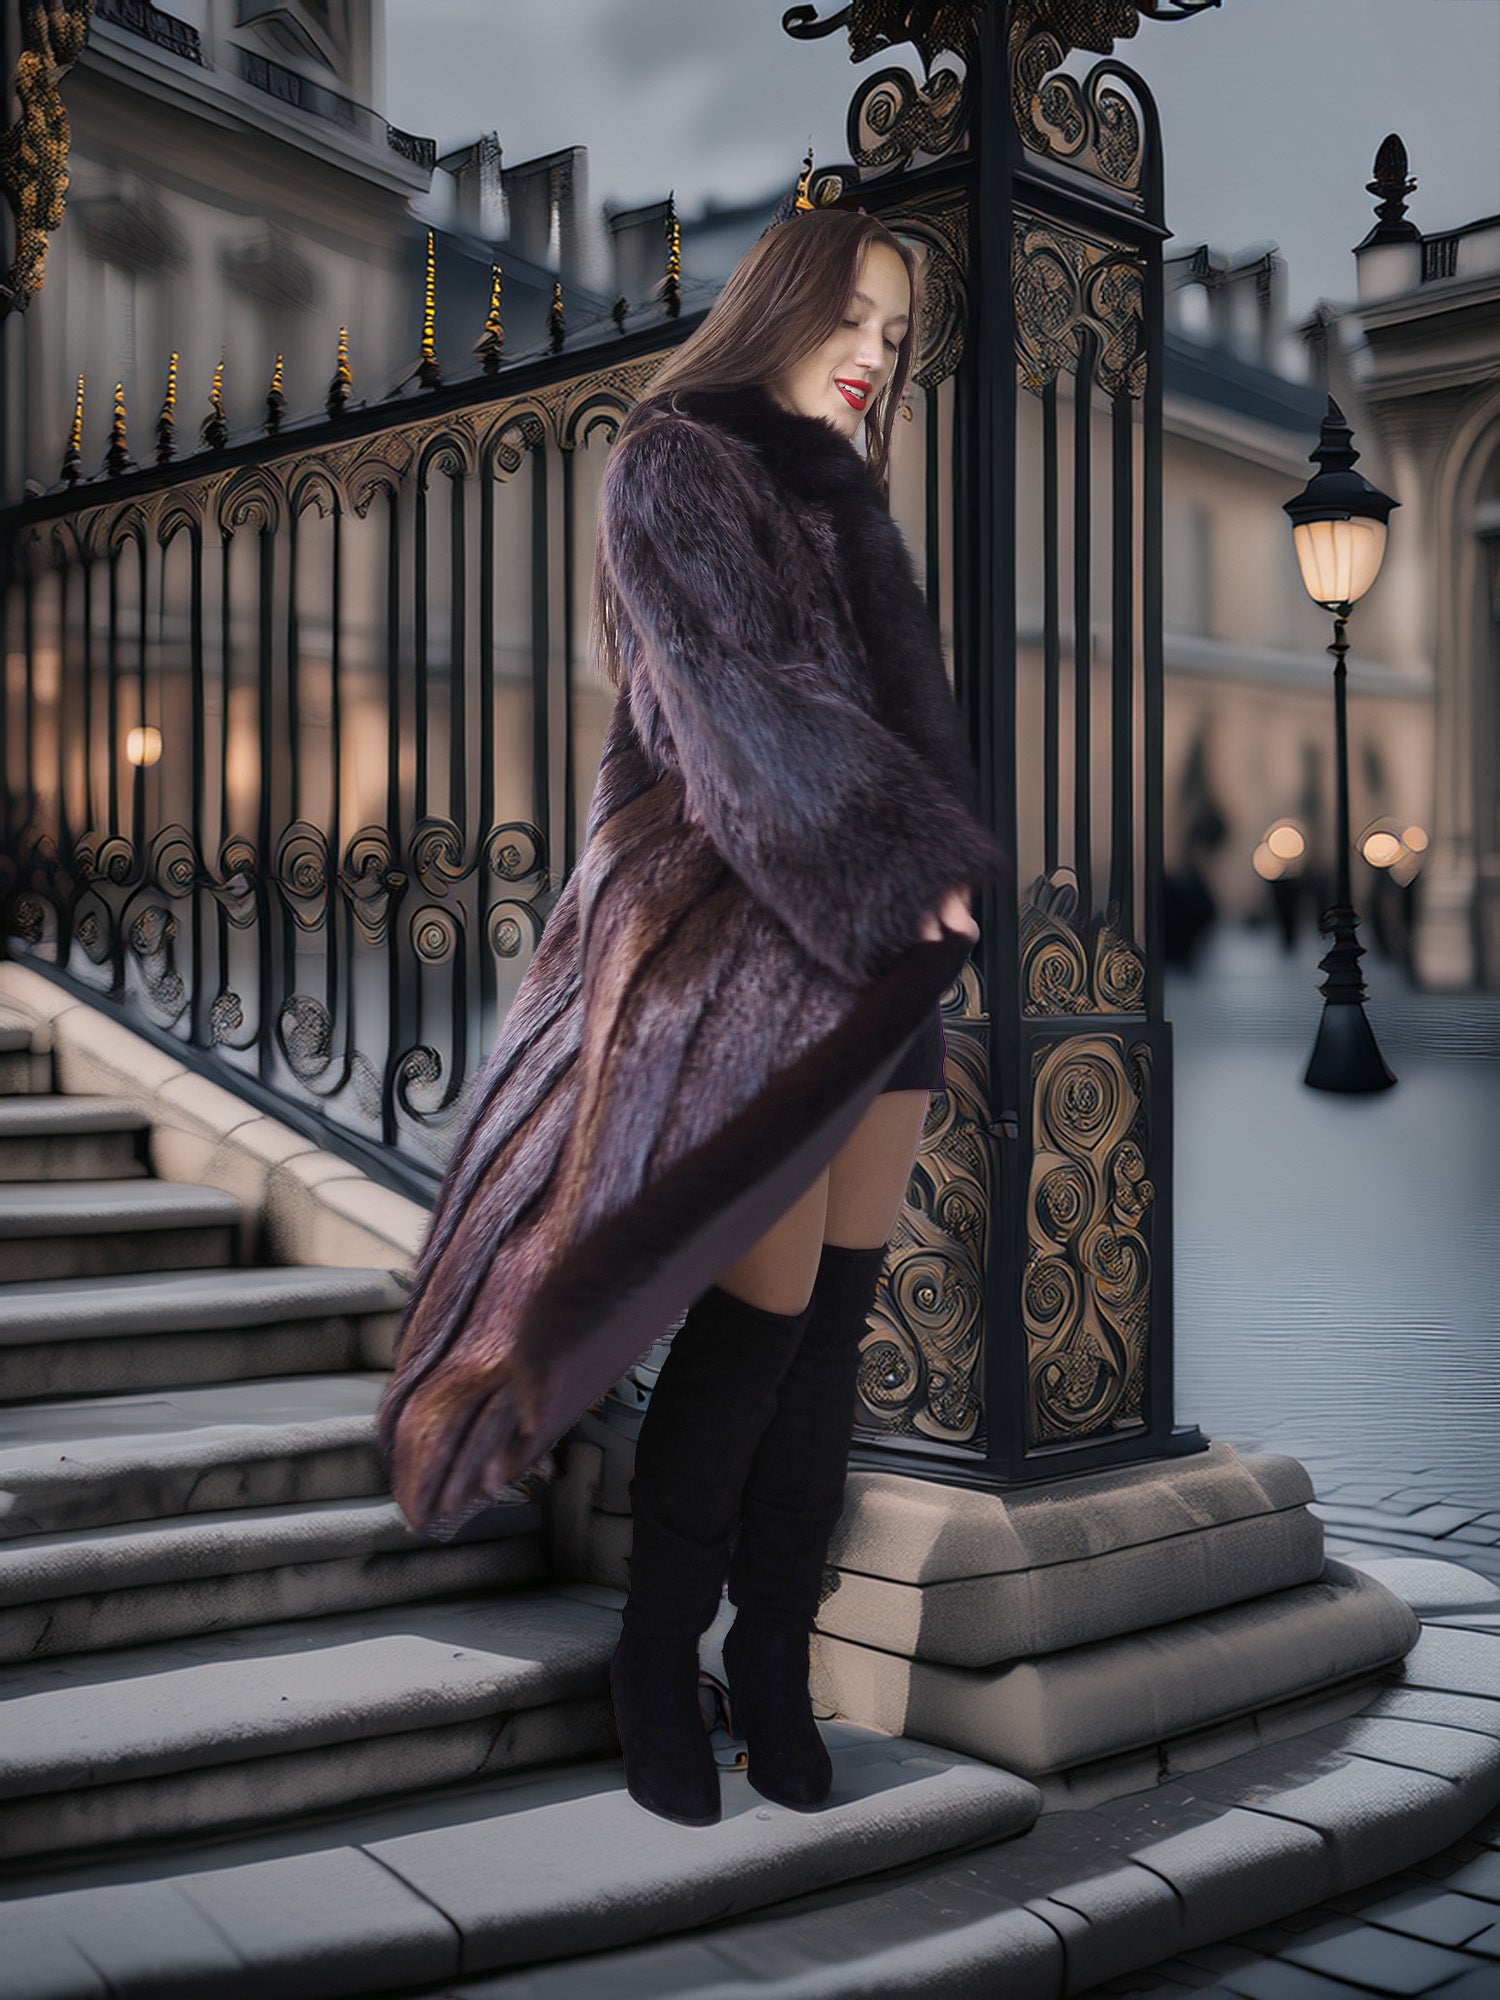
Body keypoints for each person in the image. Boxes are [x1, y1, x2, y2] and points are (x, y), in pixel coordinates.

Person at [374, 205, 1003, 1831]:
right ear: (784, 301)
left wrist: (923, 877)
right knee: (757, 1334)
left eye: (897, 333)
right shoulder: (672, 460)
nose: (875, 352)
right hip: (744, 953)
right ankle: (660, 1664)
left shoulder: (842, 498)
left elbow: (886, 720)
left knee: (831, 1344)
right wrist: (897, 854)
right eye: (852, 315)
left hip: (869, 956)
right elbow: (733, 708)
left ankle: (776, 1669)